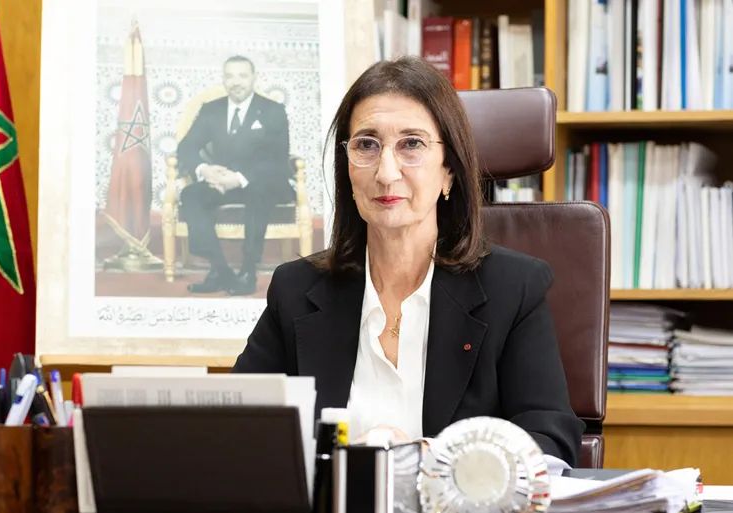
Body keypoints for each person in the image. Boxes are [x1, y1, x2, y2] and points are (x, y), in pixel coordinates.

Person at [233, 57, 584, 465]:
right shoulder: (296, 290)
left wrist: (427, 457)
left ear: (449, 169)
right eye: (366, 144)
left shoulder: (513, 289)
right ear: (347, 169)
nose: (386, 172)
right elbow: (237, 426)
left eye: (412, 144)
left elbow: (549, 440)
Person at [177, 55, 293, 295]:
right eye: (230, 76)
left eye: (242, 75)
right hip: (221, 181)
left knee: (258, 192)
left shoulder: (272, 110)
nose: (236, 82)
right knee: (191, 195)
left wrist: (238, 179)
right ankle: (220, 269)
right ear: (223, 79)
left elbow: (277, 158)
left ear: (254, 78)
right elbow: (186, 147)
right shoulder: (212, 109)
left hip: (261, 180)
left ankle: (248, 270)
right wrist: (204, 169)